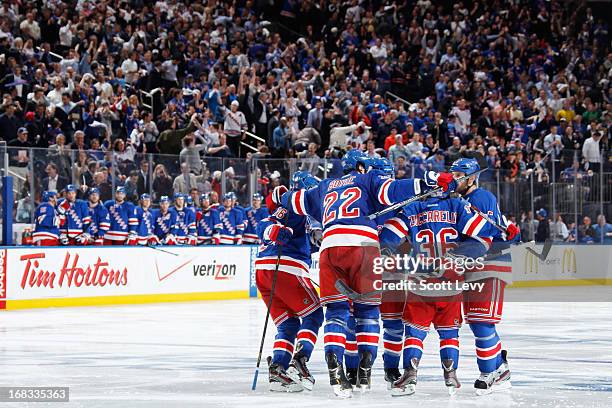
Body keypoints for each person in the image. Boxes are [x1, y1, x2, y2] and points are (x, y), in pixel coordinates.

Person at [281, 149, 456, 397]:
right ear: (364, 167)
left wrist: (280, 197)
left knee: (337, 312)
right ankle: (365, 370)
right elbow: (392, 193)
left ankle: (336, 370)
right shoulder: (371, 181)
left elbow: (292, 201)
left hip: (330, 248)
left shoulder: (326, 185)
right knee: (368, 312)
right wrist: (428, 179)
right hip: (364, 249)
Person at [379, 191, 495, 396]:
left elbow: (387, 238)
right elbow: (483, 235)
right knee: (449, 333)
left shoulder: (411, 208)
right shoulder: (457, 206)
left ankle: (409, 374)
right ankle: (451, 374)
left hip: (420, 280)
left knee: (414, 333)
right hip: (451, 281)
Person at [448, 158, 520, 395]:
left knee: (481, 320)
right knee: (476, 320)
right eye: (453, 174)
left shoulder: (481, 198)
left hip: (491, 262)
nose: (453, 178)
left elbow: (482, 237)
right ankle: (500, 367)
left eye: (458, 174)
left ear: (471, 178)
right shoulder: (460, 199)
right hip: (473, 265)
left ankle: (489, 371)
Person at [255, 173, 323, 392]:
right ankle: (300, 361)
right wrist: (273, 231)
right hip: (284, 268)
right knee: (314, 314)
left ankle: (278, 369)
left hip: (265, 272)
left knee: (288, 323)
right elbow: (266, 223)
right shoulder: (294, 203)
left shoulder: (304, 214)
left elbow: (303, 238)